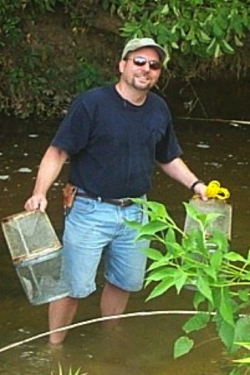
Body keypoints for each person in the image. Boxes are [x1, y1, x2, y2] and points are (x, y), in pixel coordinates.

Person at [24, 37, 207, 345]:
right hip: (89, 209)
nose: (146, 70)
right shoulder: (91, 104)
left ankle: (110, 341)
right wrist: (39, 192)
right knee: (73, 286)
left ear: (158, 73)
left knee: (125, 282)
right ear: (122, 65)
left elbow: (167, 156)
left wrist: (196, 184)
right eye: (139, 62)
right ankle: (54, 349)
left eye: (154, 66)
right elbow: (58, 151)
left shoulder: (159, 109)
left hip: (138, 213)